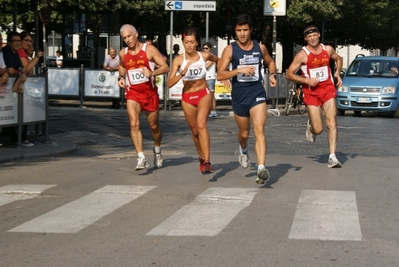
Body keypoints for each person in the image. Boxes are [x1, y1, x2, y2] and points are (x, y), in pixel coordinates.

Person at [217, 14, 277, 184]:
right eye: (238, 30)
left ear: (250, 30)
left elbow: (270, 62)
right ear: (235, 31)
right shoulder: (230, 49)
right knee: (244, 133)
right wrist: (237, 71)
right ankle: (243, 150)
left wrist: (272, 75)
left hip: (257, 92)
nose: (242, 34)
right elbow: (220, 73)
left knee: (259, 130)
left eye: (245, 30)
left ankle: (261, 168)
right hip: (239, 95)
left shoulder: (260, 47)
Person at [285, 25, 343, 168]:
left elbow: (339, 59)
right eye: (309, 36)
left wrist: (337, 73)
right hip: (311, 93)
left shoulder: (327, 49)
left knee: (332, 121)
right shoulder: (302, 55)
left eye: (314, 35)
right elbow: (289, 74)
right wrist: (307, 80)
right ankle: (311, 128)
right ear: (306, 39)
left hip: (328, 89)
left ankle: (332, 156)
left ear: (318, 35)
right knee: (319, 129)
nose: (312, 38)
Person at [167, 27, 219, 174]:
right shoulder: (178, 60)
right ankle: (201, 157)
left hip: (203, 93)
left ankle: (208, 161)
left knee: (201, 125)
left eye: (192, 42)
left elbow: (220, 61)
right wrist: (182, 73)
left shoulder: (204, 56)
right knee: (195, 131)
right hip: (188, 98)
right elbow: (169, 83)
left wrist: (224, 76)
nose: (189, 45)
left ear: (197, 43)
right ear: (183, 42)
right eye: (186, 42)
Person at [118, 24, 169, 171]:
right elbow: (121, 65)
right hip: (133, 93)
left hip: (150, 94)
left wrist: (151, 73)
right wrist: (121, 76)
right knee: (134, 123)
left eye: (129, 36)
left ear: (136, 34)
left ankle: (157, 150)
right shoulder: (123, 53)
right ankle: (141, 157)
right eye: (124, 38)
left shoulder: (149, 50)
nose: (127, 40)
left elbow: (166, 67)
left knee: (154, 126)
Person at [2, 32, 32, 147]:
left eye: (19, 40)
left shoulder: (16, 54)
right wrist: (19, 73)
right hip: (6, 88)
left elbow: (23, 70)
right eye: (15, 40)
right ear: (9, 42)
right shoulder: (7, 51)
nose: (18, 43)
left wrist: (21, 73)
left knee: (18, 110)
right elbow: (10, 71)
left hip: (11, 88)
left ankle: (17, 137)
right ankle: (16, 138)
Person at [203, 42, 217, 117]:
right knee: (205, 96)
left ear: (210, 49)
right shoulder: (203, 57)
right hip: (204, 78)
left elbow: (206, 66)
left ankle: (214, 110)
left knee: (211, 95)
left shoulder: (212, 57)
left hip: (210, 78)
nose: (205, 50)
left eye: (206, 48)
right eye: (204, 48)